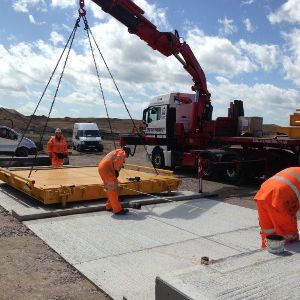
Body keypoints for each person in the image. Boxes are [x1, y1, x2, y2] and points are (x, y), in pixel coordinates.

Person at [254, 167, 300, 248]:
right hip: (279, 198)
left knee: (268, 231)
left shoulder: (295, 169)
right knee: (288, 236)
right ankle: (287, 258)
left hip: (262, 194)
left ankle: (266, 253)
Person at [98, 145, 131, 215]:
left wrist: (115, 171)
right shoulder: (122, 153)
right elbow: (118, 160)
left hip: (103, 168)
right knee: (112, 189)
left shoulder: (117, 151)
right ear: (127, 152)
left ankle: (109, 206)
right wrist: (116, 171)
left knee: (111, 188)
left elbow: (114, 161)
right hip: (107, 169)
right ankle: (117, 210)